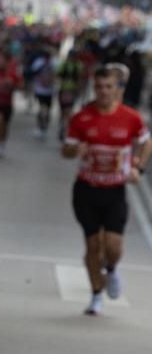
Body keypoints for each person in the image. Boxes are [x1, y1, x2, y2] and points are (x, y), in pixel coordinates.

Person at [63, 63, 150, 315]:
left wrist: (139, 168)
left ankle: (111, 270)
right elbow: (66, 149)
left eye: (108, 87)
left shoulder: (130, 117)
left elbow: (146, 143)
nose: (103, 92)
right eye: (99, 87)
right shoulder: (82, 118)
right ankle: (96, 296)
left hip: (114, 191)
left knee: (113, 246)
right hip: (86, 190)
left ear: (117, 89)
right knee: (92, 246)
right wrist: (74, 151)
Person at [0, 44, 23, 158]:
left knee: (5, 126)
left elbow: (20, 85)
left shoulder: (13, 73)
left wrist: (12, 84)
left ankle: (2, 143)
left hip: (8, 104)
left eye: (2, 59)